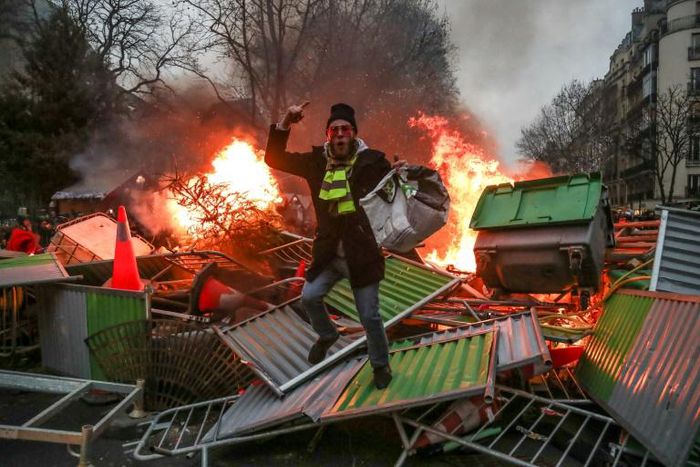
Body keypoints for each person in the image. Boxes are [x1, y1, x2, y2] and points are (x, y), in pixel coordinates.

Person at [264, 102, 393, 389]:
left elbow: (394, 189)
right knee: (309, 297)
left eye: (344, 129)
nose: (339, 134)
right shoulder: (315, 163)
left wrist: (400, 174)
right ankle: (327, 334)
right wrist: (285, 121)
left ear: (354, 134)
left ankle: (381, 366)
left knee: (370, 316)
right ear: (328, 135)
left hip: (361, 255)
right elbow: (274, 158)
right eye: (334, 130)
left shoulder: (372, 162)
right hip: (329, 254)